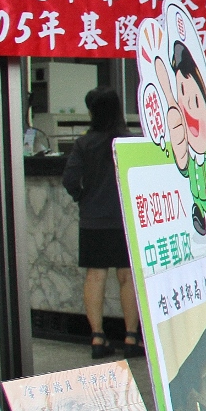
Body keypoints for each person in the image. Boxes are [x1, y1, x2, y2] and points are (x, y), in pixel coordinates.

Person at [62, 88, 142, 359]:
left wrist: (84, 198)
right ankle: (131, 338)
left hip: (93, 219)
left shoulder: (85, 143)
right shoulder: (130, 141)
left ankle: (97, 337)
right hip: (125, 218)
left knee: (95, 275)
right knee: (127, 275)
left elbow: (70, 180)